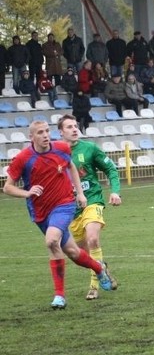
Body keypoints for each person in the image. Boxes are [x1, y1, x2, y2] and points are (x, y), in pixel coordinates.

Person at [3, 120, 114, 309]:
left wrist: (79, 193)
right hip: (40, 211)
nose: (45, 135)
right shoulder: (23, 158)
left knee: (51, 240)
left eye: (47, 131)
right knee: (72, 252)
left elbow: (71, 167)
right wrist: (27, 193)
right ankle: (99, 268)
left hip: (64, 204)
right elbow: (7, 187)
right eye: (40, 132)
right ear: (32, 137)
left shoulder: (61, 148)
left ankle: (59, 296)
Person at [59, 114, 121, 300]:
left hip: (92, 201)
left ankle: (93, 287)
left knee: (93, 239)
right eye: (69, 127)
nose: (74, 129)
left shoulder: (90, 148)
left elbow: (111, 168)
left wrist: (115, 191)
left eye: (75, 125)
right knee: (81, 255)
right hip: (71, 209)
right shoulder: (56, 152)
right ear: (61, 132)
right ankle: (101, 268)